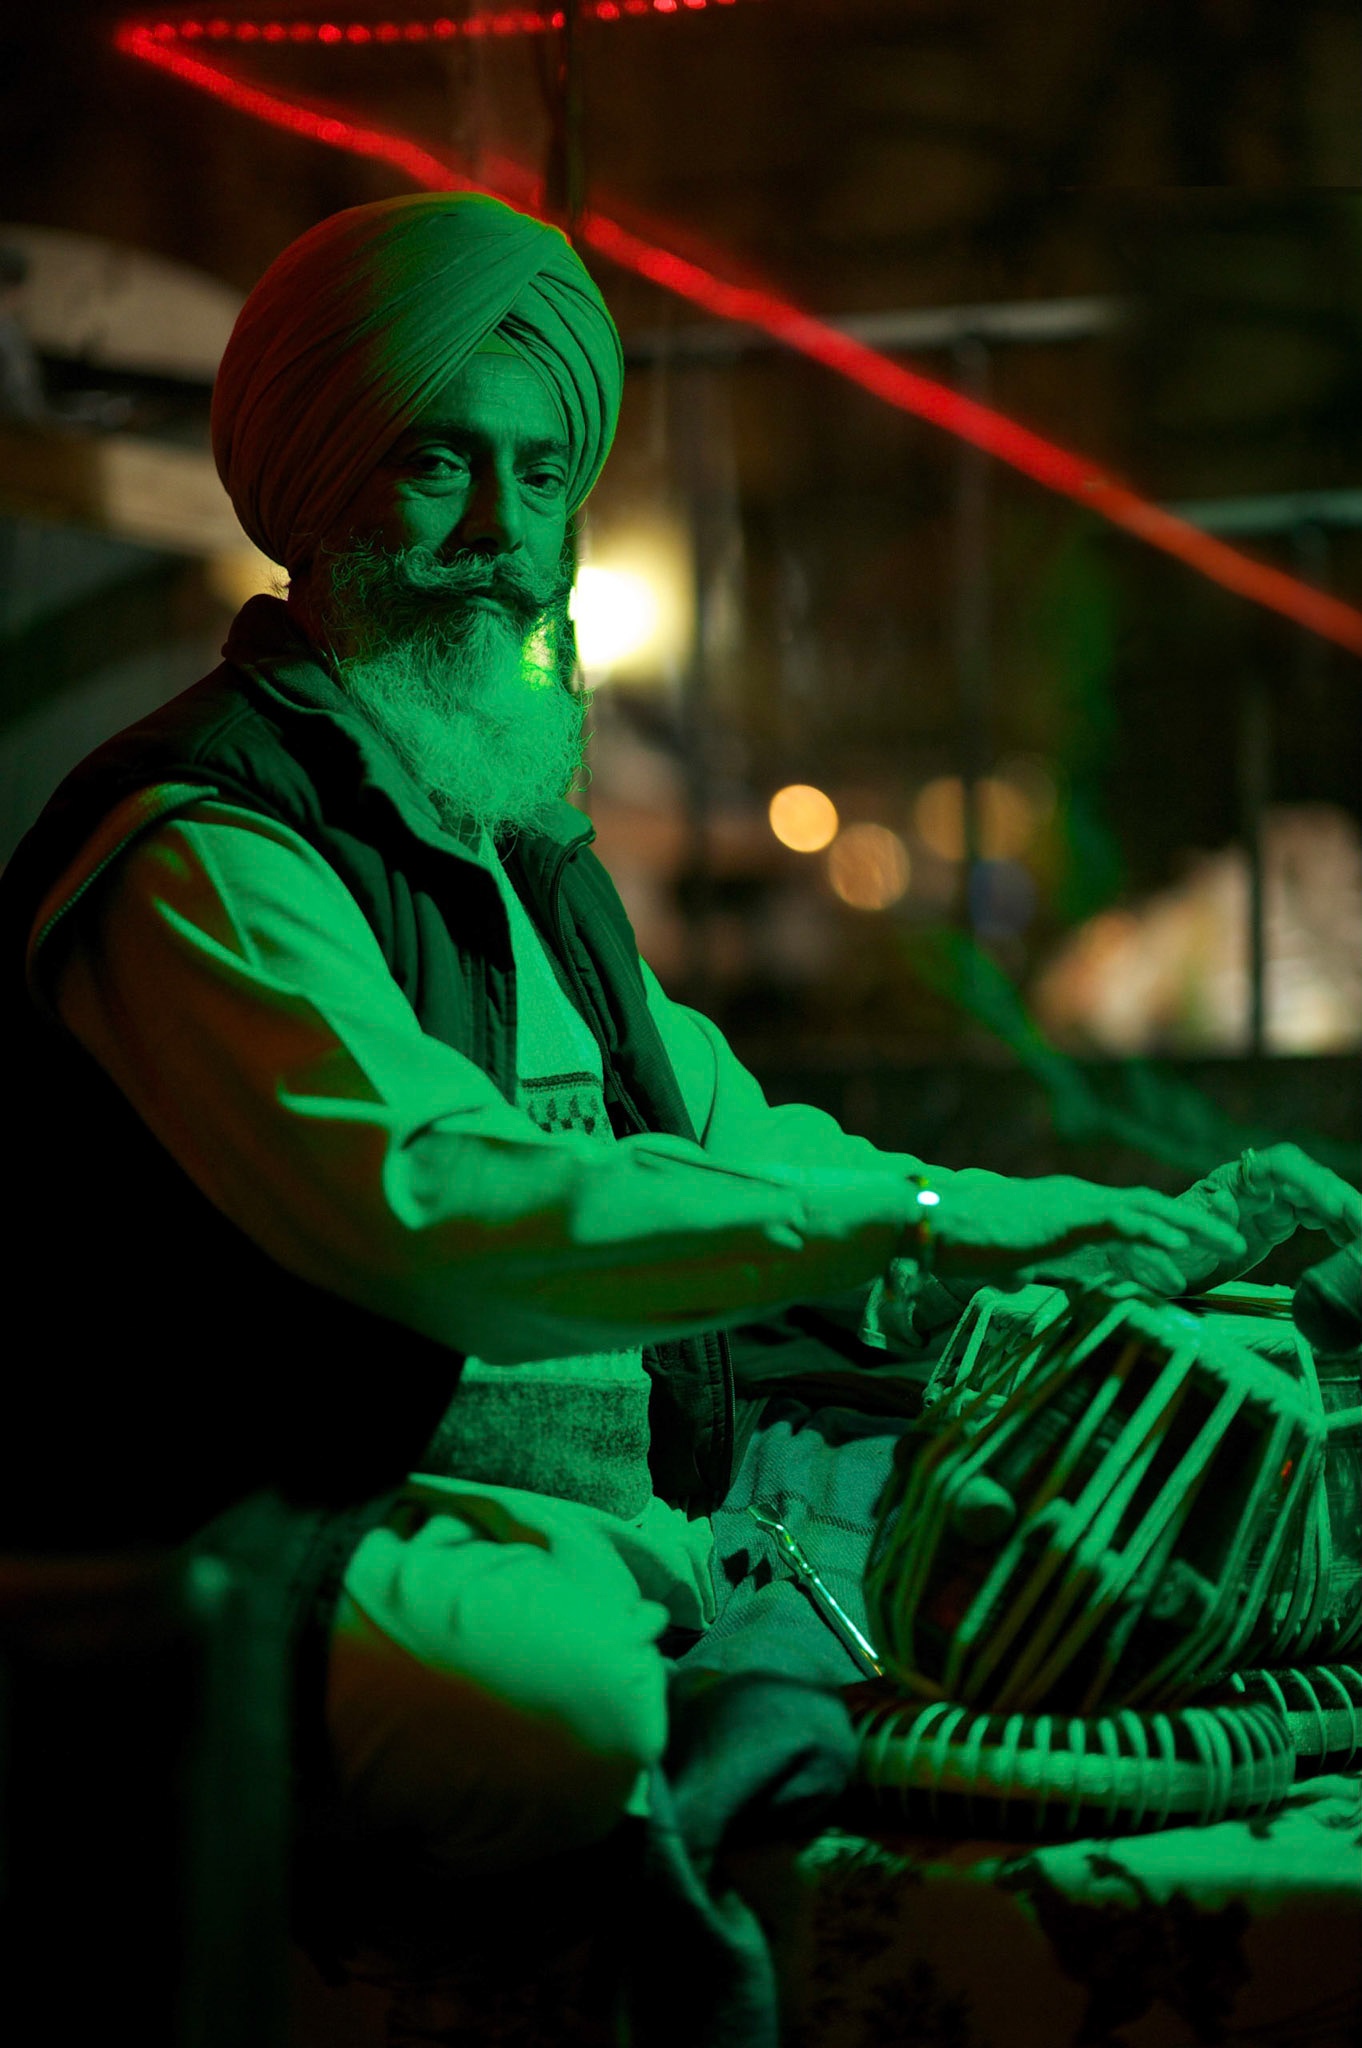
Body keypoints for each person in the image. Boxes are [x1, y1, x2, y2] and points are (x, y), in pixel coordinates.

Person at [2, 194, 1356, 2042]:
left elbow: (742, 1149)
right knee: (557, 1706)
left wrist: (1095, 1233)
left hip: (605, 1513)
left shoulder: (524, 856)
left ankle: (744, 1681)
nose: (499, 539)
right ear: (309, 492)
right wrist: (930, 1233)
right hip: (298, 1524)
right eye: (432, 467)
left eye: (539, 474)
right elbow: (432, 1208)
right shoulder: (196, 848)